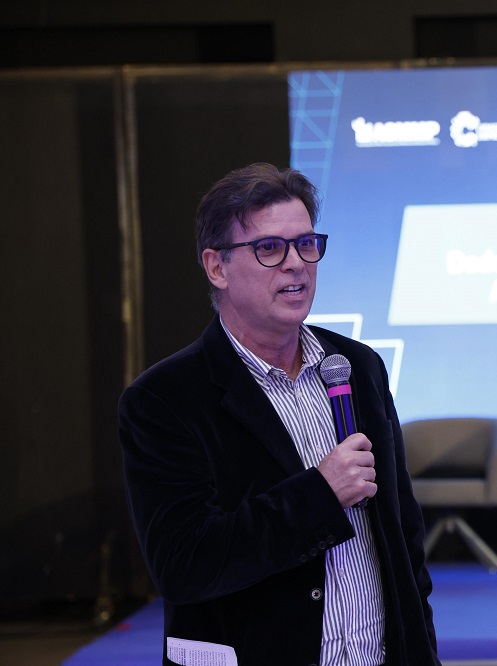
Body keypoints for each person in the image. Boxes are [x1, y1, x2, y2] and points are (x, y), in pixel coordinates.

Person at [118, 163, 441, 666]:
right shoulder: (164, 399)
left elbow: (404, 540)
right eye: (269, 248)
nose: (296, 264)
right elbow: (184, 564)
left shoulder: (357, 367)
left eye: (306, 244)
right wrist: (321, 495)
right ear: (217, 267)